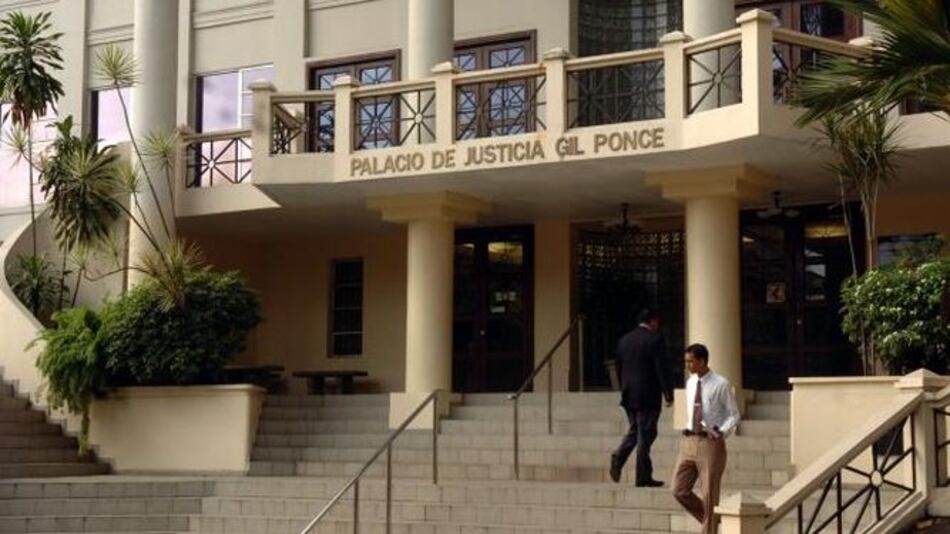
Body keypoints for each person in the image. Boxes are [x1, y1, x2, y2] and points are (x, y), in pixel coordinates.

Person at [673, 343, 740, 534]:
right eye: (686, 361)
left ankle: (709, 526)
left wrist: (721, 432)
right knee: (678, 490)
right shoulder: (690, 382)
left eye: (690, 362)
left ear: (702, 361)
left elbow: (734, 414)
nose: (687, 365)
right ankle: (712, 519)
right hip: (689, 441)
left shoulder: (721, 384)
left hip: (710, 443)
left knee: (710, 495)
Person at [610, 308, 673, 487]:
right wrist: (668, 393)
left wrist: (623, 388)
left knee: (636, 430)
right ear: (652, 321)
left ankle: (621, 459)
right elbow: (661, 368)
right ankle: (641, 475)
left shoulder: (624, 340)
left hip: (629, 393)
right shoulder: (654, 340)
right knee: (646, 434)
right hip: (648, 395)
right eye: (657, 322)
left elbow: (618, 367)